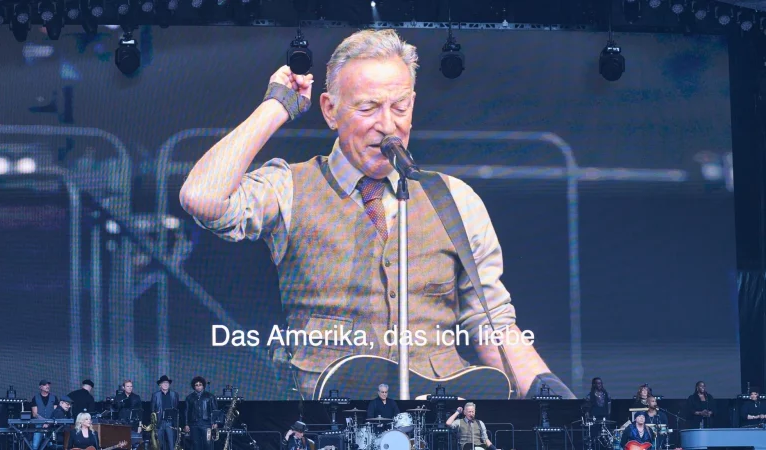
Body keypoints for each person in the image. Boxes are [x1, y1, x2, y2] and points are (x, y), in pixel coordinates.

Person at [179, 28, 573, 400]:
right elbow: (202, 197)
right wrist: (277, 106)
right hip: (329, 416)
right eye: (368, 108)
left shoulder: (455, 199)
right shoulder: (289, 188)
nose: (387, 125)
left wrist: (556, 399)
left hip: (437, 418)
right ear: (330, 111)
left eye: (399, 107)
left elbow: (492, 323)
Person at [184, 376, 219, 450]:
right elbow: (186, 412)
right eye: (196, 385)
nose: (198, 387)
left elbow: (215, 410)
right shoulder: (189, 397)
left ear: (203, 386)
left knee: (208, 445)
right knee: (196, 446)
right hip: (194, 425)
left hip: (207, 425)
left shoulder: (210, 396)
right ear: (194, 386)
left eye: (200, 385)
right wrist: (186, 424)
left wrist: (215, 422)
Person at [151, 375, 180, 450]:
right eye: (163, 383)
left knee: (171, 445)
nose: (166, 384)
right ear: (160, 385)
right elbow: (152, 410)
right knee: (159, 444)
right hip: (159, 423)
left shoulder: (174, 394)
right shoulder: (155, 395)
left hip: (170, 423)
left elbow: (176, 408)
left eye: (167, 382)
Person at [31, 380, 58, 450]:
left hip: (51, 425)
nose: (47, 386)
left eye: (48, 385)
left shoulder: (54, 397)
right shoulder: (35, 398)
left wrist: (48, 423)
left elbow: (56, 412)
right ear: (40, 387)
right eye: (45, 385)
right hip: (39, 425)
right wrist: (44, 422)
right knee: (35, 446)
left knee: (51, 446)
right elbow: (34, 414)